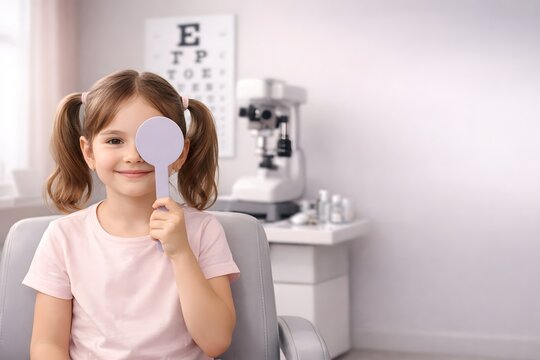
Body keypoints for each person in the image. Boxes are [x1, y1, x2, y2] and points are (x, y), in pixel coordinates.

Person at [22, 69, 240, 360]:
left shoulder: (204, 231)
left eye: (150, 140)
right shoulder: (64, 237)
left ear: (179, 152)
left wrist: (181, 252)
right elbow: (47, 345)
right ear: (89, 152)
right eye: (114, 141)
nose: (134, 155)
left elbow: (216, 341)